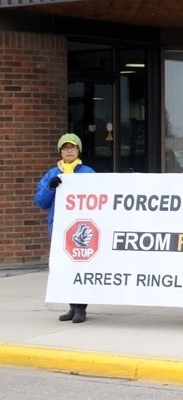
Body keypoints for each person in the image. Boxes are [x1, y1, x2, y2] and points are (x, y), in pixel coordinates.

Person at [34, 133, 96, 323]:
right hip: (60, 228)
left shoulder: (88, 172)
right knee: (65, 268)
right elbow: (41, 202)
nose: (69, 150)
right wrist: (50, 188)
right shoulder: (52, 174)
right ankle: (71, 305)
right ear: (60, 151)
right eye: (65, 147)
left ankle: (81, 308)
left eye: (73, 147)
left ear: (78, 150)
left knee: (81, 267)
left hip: (83, 229)